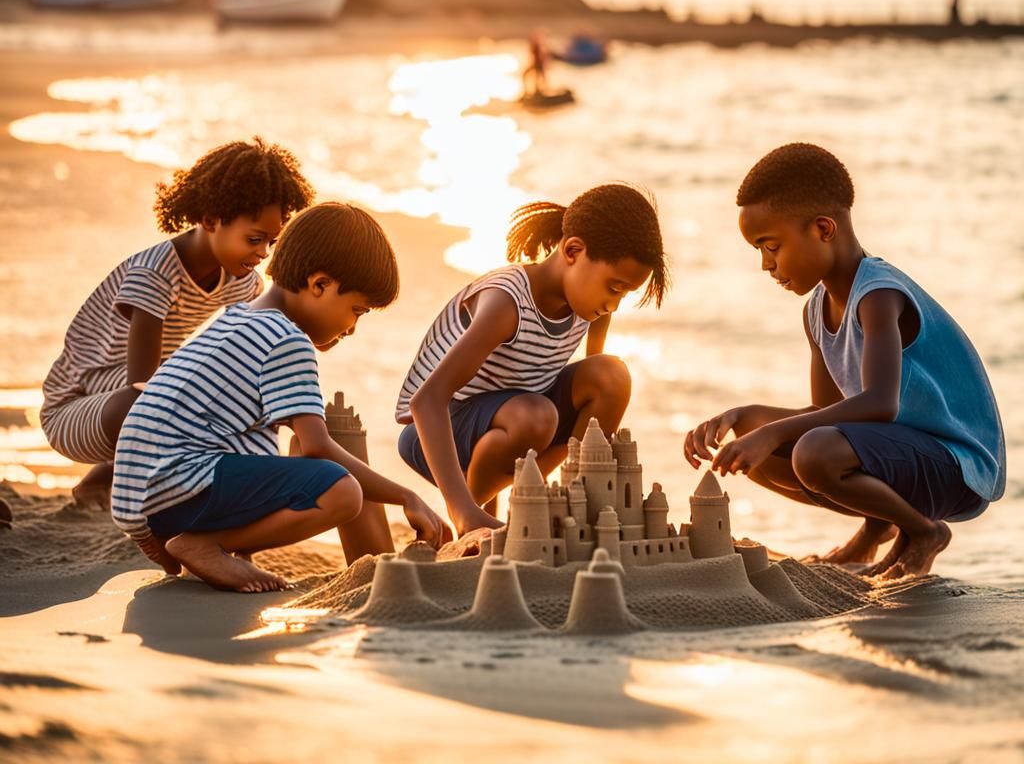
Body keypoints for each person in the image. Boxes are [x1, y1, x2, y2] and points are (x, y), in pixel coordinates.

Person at [683, 143, 1005, 578]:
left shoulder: (878, 295)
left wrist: (773, 431)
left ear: (823, 228)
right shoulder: (815, 310)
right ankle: (875, 532)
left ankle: (925, 532)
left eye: (771, 246)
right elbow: (823, 413)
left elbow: (879, 403)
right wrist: (740, 417)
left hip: (958, 468)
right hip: (904, 455)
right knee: (752, 442)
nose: (765, 265)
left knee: (815, 451)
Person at [111, 202, 451, 592]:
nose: (353, 328)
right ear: (319, 284)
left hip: (145, 500)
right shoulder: (287, 340)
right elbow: (317, 448)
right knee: (342, 492)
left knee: (274, 455)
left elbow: (235, 438)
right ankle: (206, 544)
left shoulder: (235, 319)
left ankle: (212, 546)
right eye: (356, 310)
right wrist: (406, 496)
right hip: (182, 487)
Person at [41, 138, 314, 510]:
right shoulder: (154, 275)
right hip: (78, 409)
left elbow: (249, 351)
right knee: (163, 399)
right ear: (210, 219)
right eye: (254, 239)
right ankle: (137, 492)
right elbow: (141, 385)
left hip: (137, 396)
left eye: (271, 242)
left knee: (225, 392)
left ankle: (102, 482)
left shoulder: (243, 281)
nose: (263, 253)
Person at [397, 183, 669, 536]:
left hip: (513, 416)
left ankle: (549, 505)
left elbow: (591, 411)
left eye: (624, 294)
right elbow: (427, 400)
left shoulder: (590, 306)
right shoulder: (505, 303)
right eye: (614, 288)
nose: (614, 305)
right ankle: (470, 511)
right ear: (573, 251)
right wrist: (460, 508)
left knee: (612, 375)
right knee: (536, 417)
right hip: (440, 427)